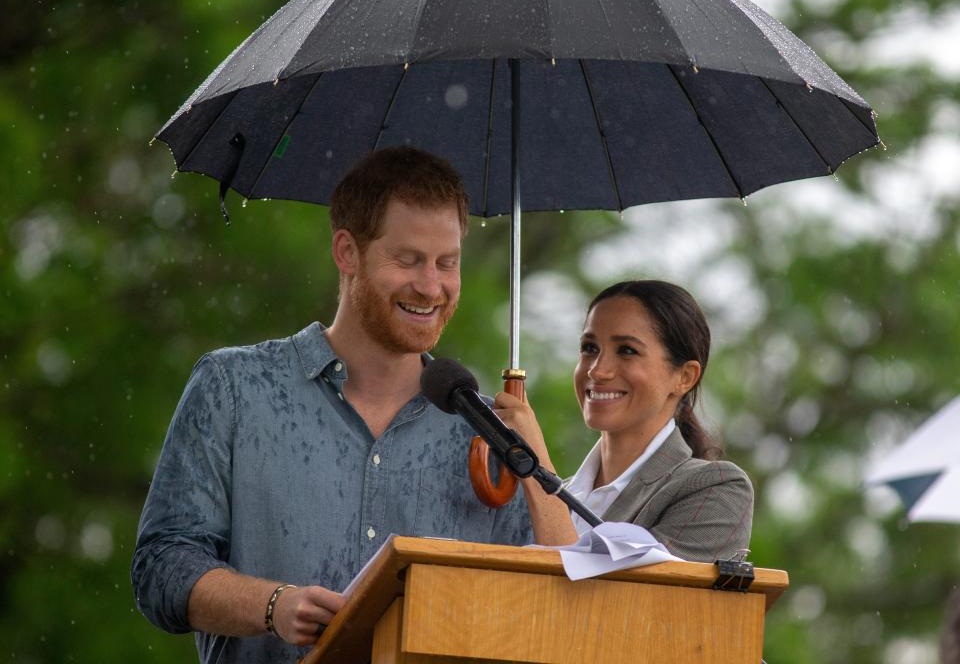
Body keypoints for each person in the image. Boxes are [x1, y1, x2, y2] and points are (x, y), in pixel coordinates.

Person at [131, 147, 531, 663]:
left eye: (446, 263)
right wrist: (273, 605)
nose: (431, 287)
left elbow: (534, 609)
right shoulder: (233, 387)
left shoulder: (491, 433)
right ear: (347, 252)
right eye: (407, 260)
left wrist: (532, 457)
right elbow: (160, 568)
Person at [495, 279, 753, 562]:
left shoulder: (715, 489)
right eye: (589, 348)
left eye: (627, 351)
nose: (597, 370)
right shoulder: (557, 494)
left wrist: (535, 469)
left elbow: (600, 601)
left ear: (684, 377)